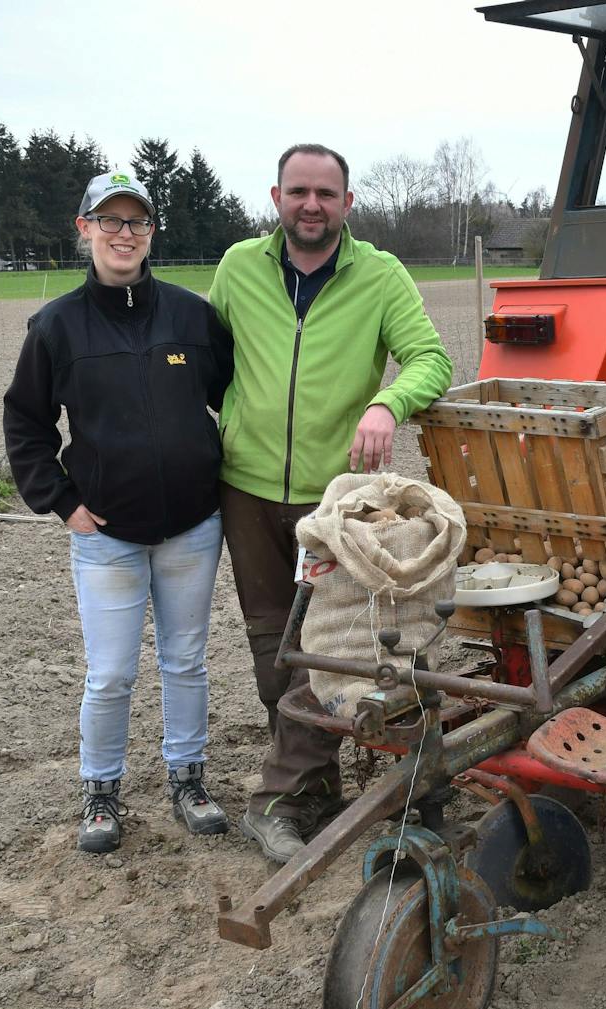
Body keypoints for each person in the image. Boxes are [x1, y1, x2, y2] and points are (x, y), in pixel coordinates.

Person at [210, 144, 453, 863]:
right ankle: (311, 786)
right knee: (271, 644)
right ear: (276, 198)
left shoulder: (379, 275)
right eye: (298, 192)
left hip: (338, 503)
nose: (310, 205)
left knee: (347, 645)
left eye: (325, 193)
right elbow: (207, 360)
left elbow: (432, 359)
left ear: (347, 203)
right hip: (248, 489)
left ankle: (321, 795)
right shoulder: (238, 269)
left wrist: (386, 403)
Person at [4, 171, 235, 854]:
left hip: (192, 527)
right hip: (106, 534)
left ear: (151, 233)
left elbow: (235, 397)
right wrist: (62, 500)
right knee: (110, 674)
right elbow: (26, 422)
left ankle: (188, 780)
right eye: (110, 220)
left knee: (186, 660)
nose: (124, 234)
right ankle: (101, 791)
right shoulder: (56, 326)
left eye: (137, 221)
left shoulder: (192, 317)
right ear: (85, 230)